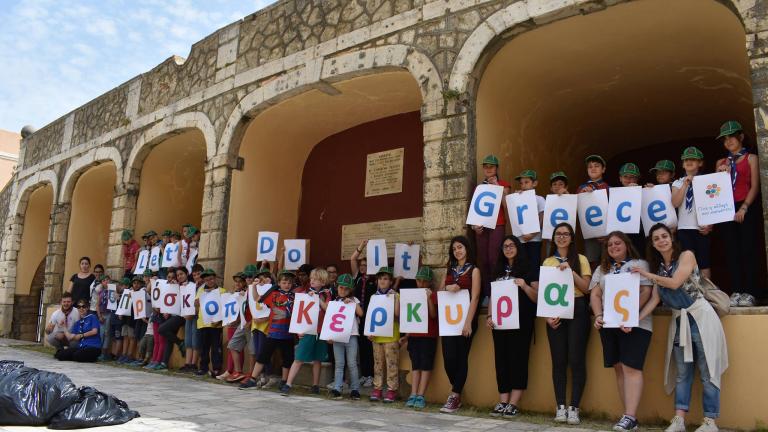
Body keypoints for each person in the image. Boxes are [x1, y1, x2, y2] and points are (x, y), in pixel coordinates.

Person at [632, 223, 727, 432]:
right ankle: (679, 420)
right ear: (653, 244)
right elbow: (655, 299)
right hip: (680, 322)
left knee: (708, 370)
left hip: (700, 318)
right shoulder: (660, 268)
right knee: (682, 373)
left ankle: (710, 421)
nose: (661, 241)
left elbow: (675, 283)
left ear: (671, 237)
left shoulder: (686, 255)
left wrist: (647, 276)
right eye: (656, 239)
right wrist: (635, 319)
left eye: (664, 236)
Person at [589, 231, 654, 432]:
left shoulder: (639, 265)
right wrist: (599, 315)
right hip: (609, 325)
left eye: (617, 243)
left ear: (626, 244)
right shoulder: (602, 269)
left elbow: (646, 291)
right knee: (618, 368)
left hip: (636, 324)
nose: (613, 247)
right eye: (609, 245)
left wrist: (629, 315)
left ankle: (630, 417)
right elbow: (595, 294)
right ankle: (627, 414)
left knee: (631, 368)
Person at [544, 222, 592, 424]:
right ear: (554, 238)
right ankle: (560, 406)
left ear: (572, 238)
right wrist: (547, 315)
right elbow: (545, 293)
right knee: (558, 361)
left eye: (566, 234)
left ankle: (574, 407)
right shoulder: (547, 262)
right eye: (558, 234)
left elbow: (587, 288)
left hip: (578, 309)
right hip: (555, 312)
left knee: (576, 359)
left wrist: (571, 272)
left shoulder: (581, 259)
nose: (562, 237)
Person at [486, 235, 538, 418]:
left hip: (521, 322)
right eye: (505, 246)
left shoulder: (528, 268)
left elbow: (536, 297)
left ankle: (514, 403)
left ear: (518, 247)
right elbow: (494, 295)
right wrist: (490, 315)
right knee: (501, 361)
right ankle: (503, 401)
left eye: (511, 245)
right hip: (500, 323)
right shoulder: (498, 270)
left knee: (518, 360)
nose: (508, 249)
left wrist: (524, 285)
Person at [715, 120, 761, 307]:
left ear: (740, 137)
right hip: (725, 207)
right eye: (724, 139)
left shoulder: (751, 158)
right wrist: (719, 174)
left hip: (745, 206)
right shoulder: (721, 162)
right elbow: (714, 190)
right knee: (731, 251)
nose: (728, 142)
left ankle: (750, 292)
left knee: (747, 250)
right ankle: (736, 290)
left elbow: (755, 186)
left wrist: (744, 207)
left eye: (731, 137)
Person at [439, 236, 481, 414]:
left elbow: (476, 297)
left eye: (460, 247)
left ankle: (454, 396)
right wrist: (448, 288)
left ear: (467, 248)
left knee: (461, 358)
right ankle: (456, 390)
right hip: (448, 322)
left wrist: (468, 323)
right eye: (454, 248)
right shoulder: (449, 270)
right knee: (449, 359)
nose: (457, 250)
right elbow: (440, 292)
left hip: (465, 321)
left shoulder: (474, 270)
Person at [239, 270, 297, 390]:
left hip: (288, 333)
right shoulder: (273, 294)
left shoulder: (296, 297)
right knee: (263, 356)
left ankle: (284, 381)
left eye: (289, 283)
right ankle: (252, 379)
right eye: (284, 282)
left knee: (287, 358)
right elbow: (256, 298)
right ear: (279, 283)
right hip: (273, 332)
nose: (287, 285)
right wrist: (254, 287)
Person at [283, 268, 332, 395]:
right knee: (299, 357)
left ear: (322, 281)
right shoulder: (304, 293)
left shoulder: (326, 294)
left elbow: (328, 309)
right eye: (311, 279)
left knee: (318, 359)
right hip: (307, 330)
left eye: (315, 279)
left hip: (321, 331)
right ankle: (288, 383)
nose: (312, 281)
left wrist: (318, 299)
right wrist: (299, 330)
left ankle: (315, 385)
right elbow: (298, 313)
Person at [472, 155, 511, 301]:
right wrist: (474, 226)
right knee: (482, 260)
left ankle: (497, 292)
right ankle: (487, 293)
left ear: (496, 168)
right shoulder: (479, 186)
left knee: (494, 258)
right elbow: (475, 209)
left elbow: (506, 205)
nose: (488, 169)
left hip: (497, 224)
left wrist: (496, 187)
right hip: (481, 227)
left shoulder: (503, 184)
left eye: (491, 166)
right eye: (486, 166)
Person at [671, 146, 712, 280]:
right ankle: (692, 294)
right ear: (682, 164)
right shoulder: (677, 182)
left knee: (704, 262)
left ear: (700, 163)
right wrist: (685, 185)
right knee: (687, 263)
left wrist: (711, 225)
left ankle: (708, 294)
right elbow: (675, 203)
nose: (689, 162)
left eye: (693, 159)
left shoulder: (707, 180)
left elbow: (715, 204)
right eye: (686, 160)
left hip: (701, 228)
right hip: (684, 228)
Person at [403, 266, 438, 410]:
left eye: (425, 281)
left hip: (428, 335)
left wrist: (429, 298)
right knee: (415, 365)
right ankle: (413, 393)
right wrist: (406, 336)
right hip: (414, 335)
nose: (421, 284)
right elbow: (409, 317)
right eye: (419, 281)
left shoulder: (433, 295)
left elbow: (433, 315)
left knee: (425, 365)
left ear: (430, 282)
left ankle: (421, 395)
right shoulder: (412, 295)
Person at [368, 266, 401, 403]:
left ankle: (392, 389)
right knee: (377, 363)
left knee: (391, 364)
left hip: (391, 336)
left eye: (386, 278)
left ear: (391, 281)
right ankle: (378, 388)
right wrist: (369, 332)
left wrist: (393, 299)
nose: (382, 281)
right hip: (377, 336)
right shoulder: (374, 297)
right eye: (380, 278)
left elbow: (398, 315)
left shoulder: (395, 295)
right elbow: (371, 316)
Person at [329, 273, 363, 400]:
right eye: (341, 287)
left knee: (352, 363)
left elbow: (360, 313)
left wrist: (353, 304)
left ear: (350, 290)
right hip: (337, 336)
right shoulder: (334, 302)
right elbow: (330, 321)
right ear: (337, 287)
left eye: (346, 288)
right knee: (339, 363)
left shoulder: (354, 300)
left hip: (351, 335)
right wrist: (330, 336)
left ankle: (355, 389)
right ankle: (337, 387)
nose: (343, 290)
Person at [351, 240, 377, 387]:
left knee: (369, 347)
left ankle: (371, 376)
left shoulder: (375, 280)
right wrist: (361, 247)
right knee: (361, 347)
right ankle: (365, 374)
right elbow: (352, 259)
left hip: (371, 318)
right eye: (361, 265)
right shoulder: (357, 278)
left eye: (365, 265)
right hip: (358, 318)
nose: (362, 267)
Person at [577, 155, 610, 267]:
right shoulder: (581, 188)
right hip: (590, 234)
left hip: (607, 234)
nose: (593, 168)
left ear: (603, 169)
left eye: (597, 166)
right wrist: (582, 194)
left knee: (608, 260)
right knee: (591, 262)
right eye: (590, 166)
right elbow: (578, 208)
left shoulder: (607, 188)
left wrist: (608, 232)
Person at [157, 267, 191, 370]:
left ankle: (180, 342)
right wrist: (167, 310)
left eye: (181, 274)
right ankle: (164, 362)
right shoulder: (175, 285)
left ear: (186, 274)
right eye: (178, 275)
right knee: (168, 338)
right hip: (174, 314)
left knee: (161, 329)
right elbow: (170, 299)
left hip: (183, 315)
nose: (179, 276)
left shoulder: (189, 285)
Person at [194, 268, 226, 377]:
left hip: (216, 324)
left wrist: (220, 321)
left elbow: (224, 308)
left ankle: (216, 368)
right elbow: (196, 305)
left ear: (215, 278)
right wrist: (196, 303)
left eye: (211, 279)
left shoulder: (222, 291)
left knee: (216, 347)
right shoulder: (201, 291)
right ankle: (203, 367)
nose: (210, 281)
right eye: (207, 280)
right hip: (203, 324)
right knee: (204, 347)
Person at [217, 271, 248, 381]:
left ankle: (236, 371)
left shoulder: (245, 293)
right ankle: (229, 370)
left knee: (238, 348)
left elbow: (244, 309)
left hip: (240, 323)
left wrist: (238, 320)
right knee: (232, 347)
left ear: (245, 283)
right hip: (231, 323)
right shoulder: (232, 294)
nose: (238, 284)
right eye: (236, 282)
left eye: (240, 282)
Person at [513, 169, 545, 268]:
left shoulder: (540, 199)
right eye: (521, 183)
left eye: (527, 182)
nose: (523, 185)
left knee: (533, 266)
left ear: (534, 183)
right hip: (520, 240)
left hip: (534, 240)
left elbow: (542, 219)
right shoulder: (517, 198)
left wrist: (532, 234)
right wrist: (515, 198)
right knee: (522, 267)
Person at [179, 263, 204, 372]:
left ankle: (194, 363)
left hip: (198, 316)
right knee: (188, 340)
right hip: (189, 315)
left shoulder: (204, 286)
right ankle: (188, 363)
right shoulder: (190, 286)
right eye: (194, 275)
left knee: (195, 339)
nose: (197, 277)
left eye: (199, 274)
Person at [617, 163, 645, 256]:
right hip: (621, 234)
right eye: (626, 176)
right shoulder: (614, 194)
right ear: (620, 178)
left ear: (637, 179)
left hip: (640, 234)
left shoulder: (644, 191)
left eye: (632, 177)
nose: (629, 180)